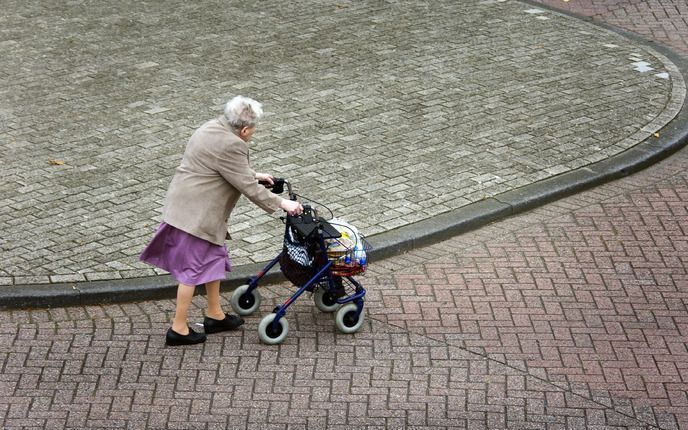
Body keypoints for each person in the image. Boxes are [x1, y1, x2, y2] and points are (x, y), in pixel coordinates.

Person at [140, 95, 303, 346]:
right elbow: (247, 186)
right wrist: (283, 203)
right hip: (197, 216)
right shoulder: (233, 145)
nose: (253, 134)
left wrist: (255, 174)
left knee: (214, 259)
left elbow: (223, 166)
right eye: (253, 130)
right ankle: (178, 328)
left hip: (187, 205)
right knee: (191, 270)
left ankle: (214, 315)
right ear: (245, 128)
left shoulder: (211, 127)